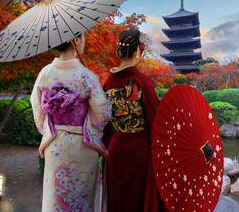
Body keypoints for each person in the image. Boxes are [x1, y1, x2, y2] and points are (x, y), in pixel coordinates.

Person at [30, 34, 112, 212]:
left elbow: (37, 108)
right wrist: (90, 129)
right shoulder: (87, 76)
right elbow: (102, 113)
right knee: (82, 199)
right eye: (83, 38)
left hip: (55, 143)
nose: (84, 42)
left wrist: (48, 129)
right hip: (83, 144)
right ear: (75, 39)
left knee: (56, 198)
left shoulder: (45, 73)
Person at [102, 27, 165, 212]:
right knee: (137, 201)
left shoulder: (107, 82)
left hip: (115, 146)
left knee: (117, 198)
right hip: (139, 151)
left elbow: (104, 121)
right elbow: (156, 119)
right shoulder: (141, 80)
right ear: (137, 50)